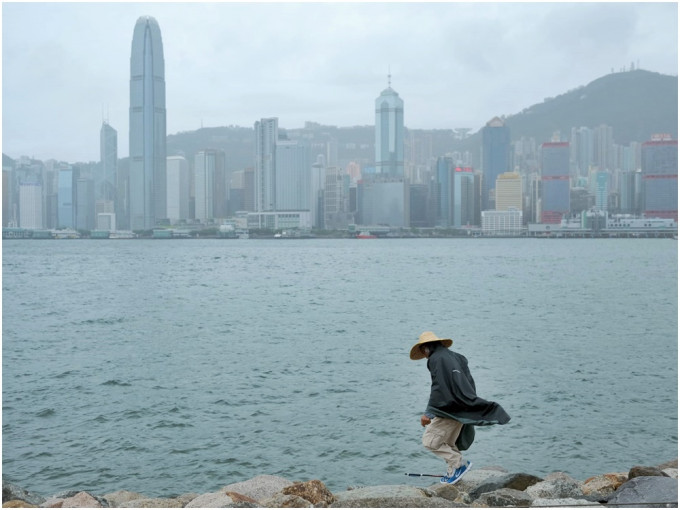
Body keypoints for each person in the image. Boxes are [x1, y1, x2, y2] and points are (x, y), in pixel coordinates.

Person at [410, 331, 511, 485]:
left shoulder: (435, 359)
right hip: (461, 406)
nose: (425, 356)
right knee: (449, 443)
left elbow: (439, 386)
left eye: (423, 352)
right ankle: (453, 474)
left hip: (448, 408)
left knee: (430, 441)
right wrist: (468, 404)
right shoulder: (458, 358)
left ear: (426, 348)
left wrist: (429, 413)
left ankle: (458, 464)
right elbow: (469, 383)